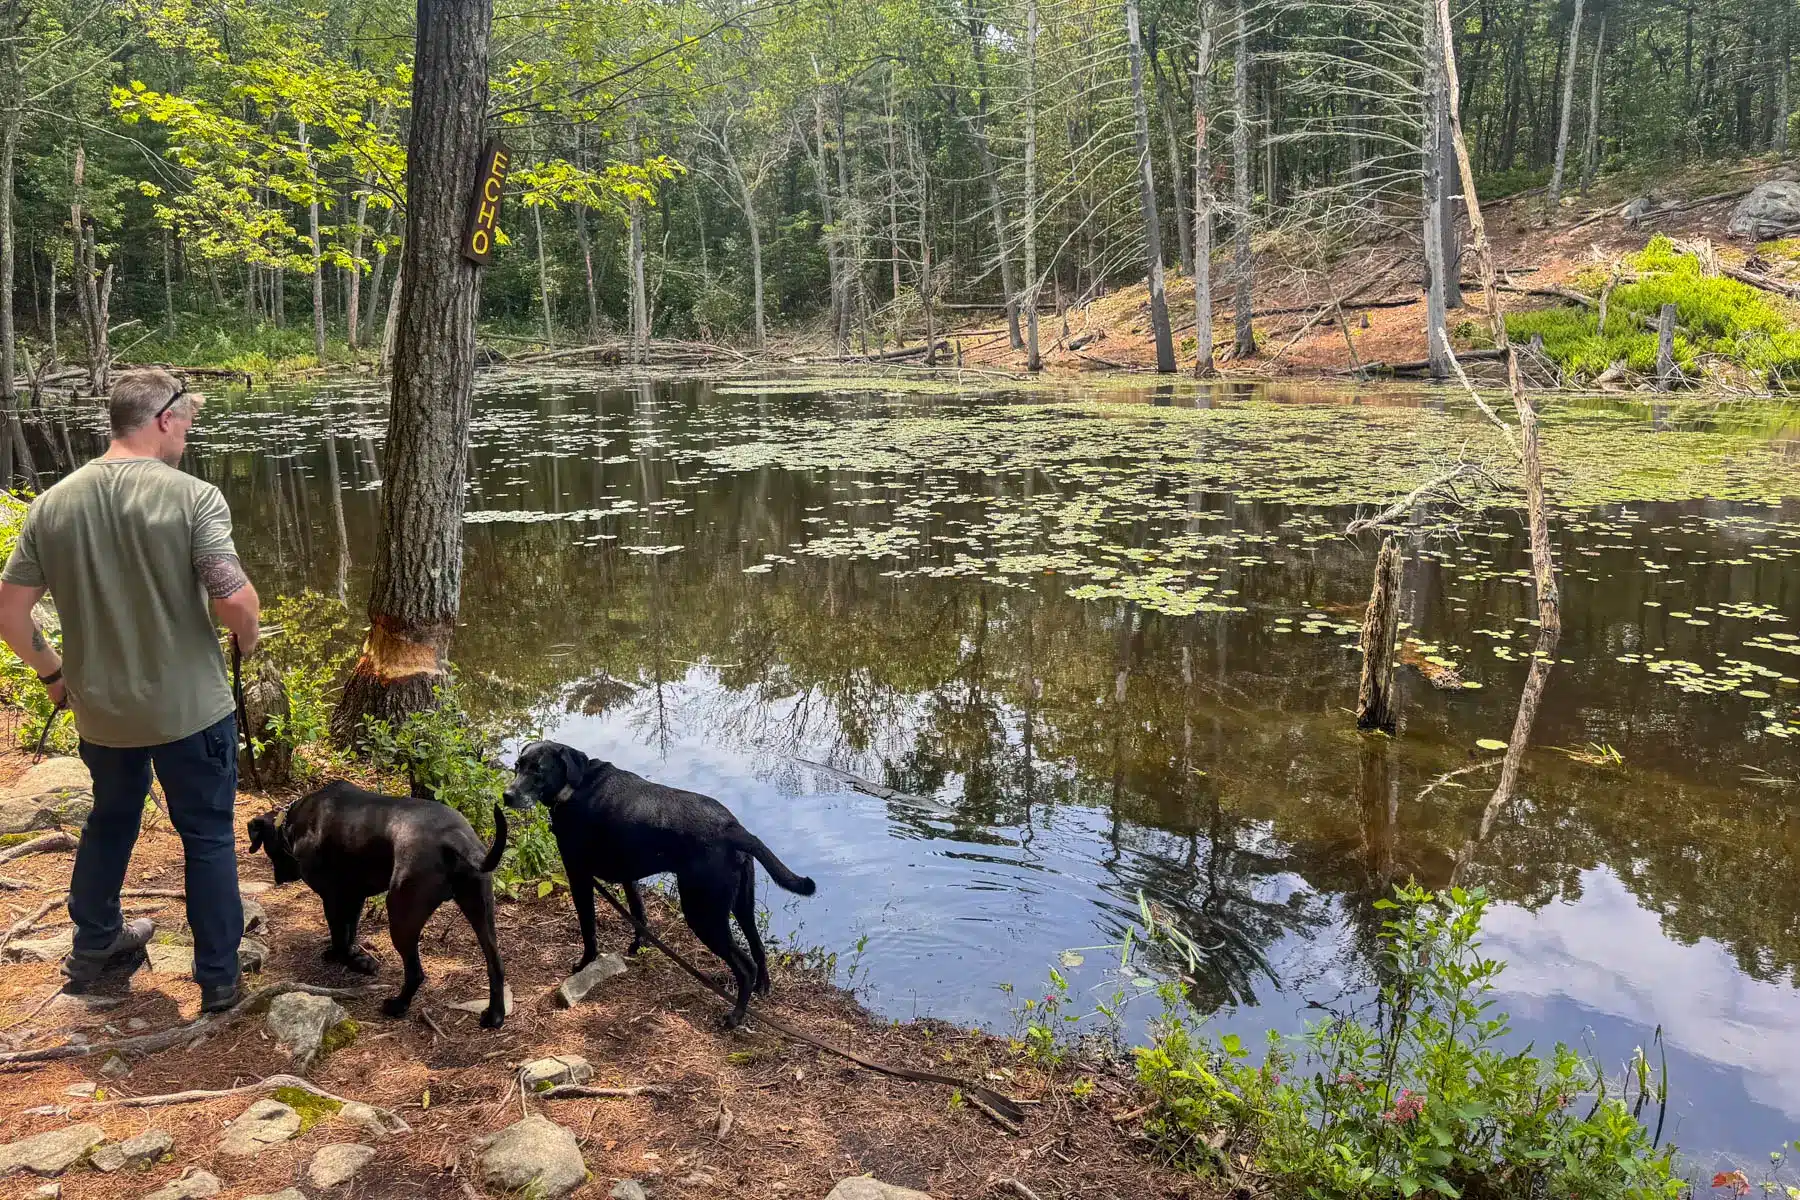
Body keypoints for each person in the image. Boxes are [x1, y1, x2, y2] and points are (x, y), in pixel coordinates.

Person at [0, 368, 261, 1012]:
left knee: (111, 819)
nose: (189, 433)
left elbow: (9, 614)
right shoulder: (194, 497)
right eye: (189, 421)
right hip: (191, 710)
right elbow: (234, 601)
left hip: (102, 714)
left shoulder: (53, 503)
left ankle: (95, 948)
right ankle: (220, 978)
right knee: (205, 836)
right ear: (163, 419)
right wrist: (248, 638)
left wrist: (55, 676)